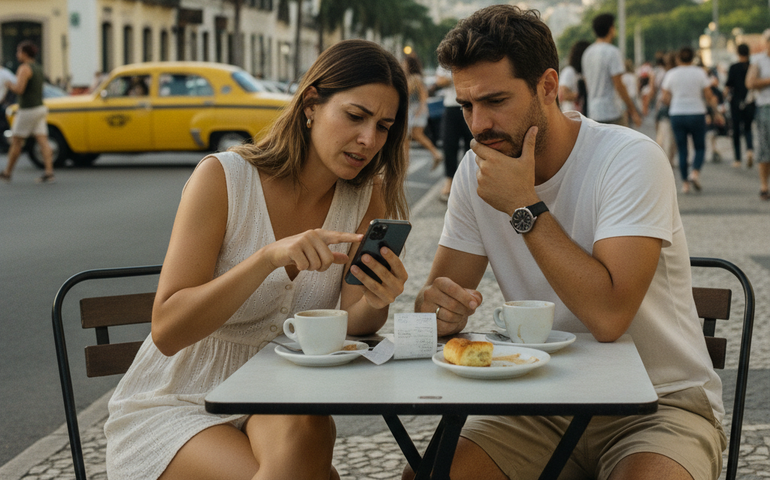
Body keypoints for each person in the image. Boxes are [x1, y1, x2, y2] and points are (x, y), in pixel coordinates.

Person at [405, 5, 725, 480]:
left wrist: (523, 206)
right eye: (467, 106)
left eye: (495, 101)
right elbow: (434, 310)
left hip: (659, 405)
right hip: (540, 401)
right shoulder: (476, 171)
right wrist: (435, 311)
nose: (479, 124)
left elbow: (609, 317)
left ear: (548, 86)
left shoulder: (629, 159)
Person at [104, 39, 411, 480]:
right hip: (178, 401)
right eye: (355, 116)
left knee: (307, 425)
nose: (368, 140)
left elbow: (354, 321)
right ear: (311, 104)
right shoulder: (224, 178)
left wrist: (378, 299)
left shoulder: (366, 196)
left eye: (383, 126)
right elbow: (168, 330)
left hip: (281, 393)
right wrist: (267, 257)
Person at [661, 46, 723, 194]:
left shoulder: (671, 74)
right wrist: (716, 112)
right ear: (693, 58)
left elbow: (665, 97)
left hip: (677, 114)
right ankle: (694, 173)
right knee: (700, 147)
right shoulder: (700, 73)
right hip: (697, 113)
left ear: (678, 59)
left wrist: (675, 104)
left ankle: (685, 184)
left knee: (682, 150)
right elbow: (709, 95)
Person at [0, 41, 54, 183]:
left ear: (24, 53)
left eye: (19, 52)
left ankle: (7, 172)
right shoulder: (38, 67)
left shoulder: (24, 68)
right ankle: (49, 172)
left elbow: (20, 89)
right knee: (43, 141)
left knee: (16, 141)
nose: (17, 54)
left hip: (27, 109)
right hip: (40, 107)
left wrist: (9, 84)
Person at [581, 13, 641, 127]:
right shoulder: (613, 52)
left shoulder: (587, 53)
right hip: (612, 112)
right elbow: (619, 85)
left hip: (593, 111)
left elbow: (586, 82)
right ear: (611, 29)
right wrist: (633, 110)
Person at [435, 64, 474, 201]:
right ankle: (449, 182)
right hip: (451, 106)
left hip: (470, 104)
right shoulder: (447, 61)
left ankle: (468, 183)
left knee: (471, 145)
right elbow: (439, 80)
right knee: (449, 144)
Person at [403, 55, 442, 168]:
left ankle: (436, 153)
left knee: (415, 135)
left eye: (404, 63)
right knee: (406, 138)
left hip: (415, 112)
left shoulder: (415, 78)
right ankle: (405, 163)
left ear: (409, 65)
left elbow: (423, 96)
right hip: (412, 112)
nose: (402, 65)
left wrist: (421, 112)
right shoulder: (412, 78)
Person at [746, 29, 770, 200]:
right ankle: (764, 185)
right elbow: (750, 82)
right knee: (764, 149)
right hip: (765, 108)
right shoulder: (759, 61)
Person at [725, 43, 755, 169]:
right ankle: (750, 150)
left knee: (736, 130)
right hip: (750, 102)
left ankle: (737, 158)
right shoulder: (752, 66)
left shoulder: (734, 67)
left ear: (738, 53)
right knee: (748, 128)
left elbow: (728, 86)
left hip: (736, 102)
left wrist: (725, 97)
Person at [558, 40, 590, 114]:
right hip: (570, 115)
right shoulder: (569, 71)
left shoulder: (581, 73)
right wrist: (580, 94)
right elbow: (563, 94)